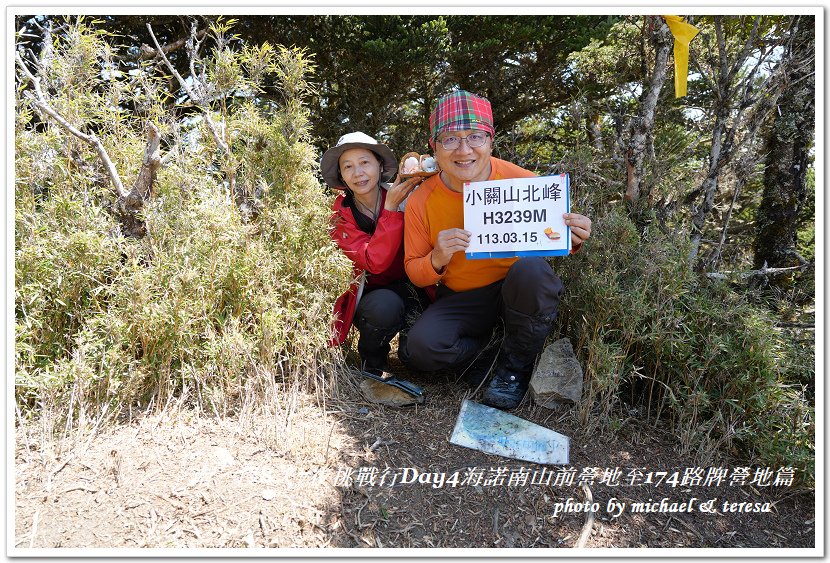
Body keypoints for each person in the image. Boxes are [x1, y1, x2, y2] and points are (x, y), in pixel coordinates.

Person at [401, 91, 593, 409]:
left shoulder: (523, 182)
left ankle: (515, 368)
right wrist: (437, 257)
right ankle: (489, 355)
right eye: (450, 139)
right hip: (464, 298)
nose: (464, 150)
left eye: (475, 137)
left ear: (490, 140)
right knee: (421, 349)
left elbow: (555, 237)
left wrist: (574, 236)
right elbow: (414, 272)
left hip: (517, 291)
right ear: (434, 146)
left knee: (532, 270)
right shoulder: (423, 198)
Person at [322, 132, 426, 377]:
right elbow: (374, 262)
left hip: (416, 288)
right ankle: (373, 358)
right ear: (341, 176)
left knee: (416, 359)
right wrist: (390, 211)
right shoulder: (339, 215)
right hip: (372, 298)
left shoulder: (405, 195)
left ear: (380, 165)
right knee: (384, 307)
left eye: (365, 162)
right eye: (348, 166)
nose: (358, 173)